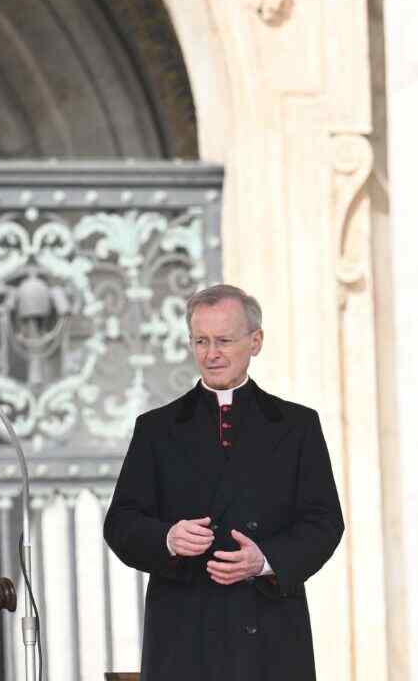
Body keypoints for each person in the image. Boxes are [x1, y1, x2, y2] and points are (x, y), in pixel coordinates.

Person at [104, 284, 343, 681]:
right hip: (184, 635)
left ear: (256, 341)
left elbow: (324, 522)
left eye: (224, 340)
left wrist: (265, 560)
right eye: (201, 341)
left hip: (270, 634)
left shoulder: (298, 425)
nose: (211, 354)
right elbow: (121, 523)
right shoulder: (157, 429)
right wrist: (167, 537)